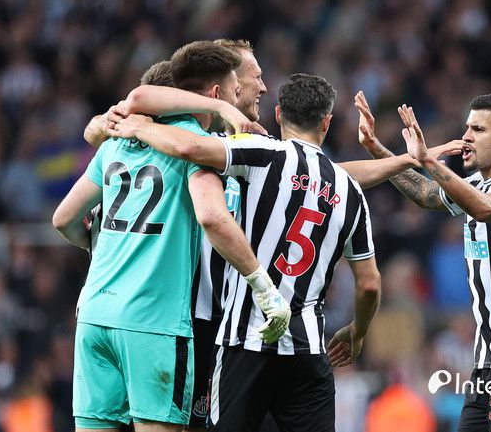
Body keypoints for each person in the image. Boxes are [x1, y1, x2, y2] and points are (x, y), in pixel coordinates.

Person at [106, 73, 382, 432]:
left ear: (279, 115)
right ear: (327, 123)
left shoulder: (265, 153)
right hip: (307, 351)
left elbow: (191, 148)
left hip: (243, 341)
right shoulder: (350, 191)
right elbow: (370, 285)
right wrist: (358, 331)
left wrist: (142, 128)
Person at [52, 41, 289, 432]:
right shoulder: (193, 147)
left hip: (94, 315)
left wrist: (99, 245)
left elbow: (63, 219)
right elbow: (211, 216)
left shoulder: (116, 140)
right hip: (154, 323)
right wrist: (263, 286)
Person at [356, 91, 491, 432]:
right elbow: (426, 195)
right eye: (467, 127)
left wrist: (429, 161)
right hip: (488, 362)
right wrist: (376, 148)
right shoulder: (476, 183)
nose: (466, 136)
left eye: (478, 129)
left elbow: (485, 208)